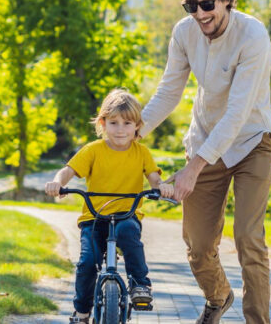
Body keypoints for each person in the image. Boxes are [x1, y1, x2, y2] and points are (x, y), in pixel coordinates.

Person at [137, 0, 271, 322]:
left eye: (208, 4)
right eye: (191, 7)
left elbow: (237, 113)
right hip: (204, 139)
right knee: (198, 246)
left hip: (251, 142)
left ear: (227, 0)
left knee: (248, 239)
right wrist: (129, 134)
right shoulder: (185, 33)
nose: (200, 13)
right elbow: (169, 92)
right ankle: (218, 297)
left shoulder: (253, 35)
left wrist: (192, 169)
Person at [45, 89, 175, 323]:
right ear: (103, 123)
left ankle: (140, 285)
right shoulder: (93, 150)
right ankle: (82, 312)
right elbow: (68, 171)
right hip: (94, 217)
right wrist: (57, 182)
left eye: (127, 123)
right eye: (113, 123)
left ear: (137, 126)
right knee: (87, 262)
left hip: (127, 215)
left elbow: (154, 178)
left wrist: (162, 187)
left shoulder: (142, 152)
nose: (120, 129)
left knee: (129, 235)